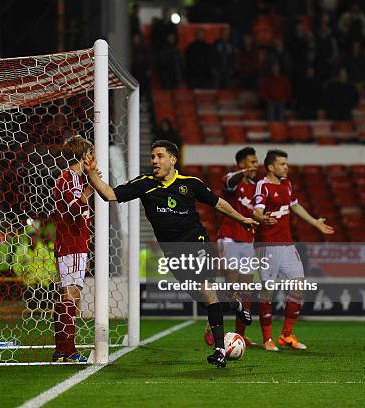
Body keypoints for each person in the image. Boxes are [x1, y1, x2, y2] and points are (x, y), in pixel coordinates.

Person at [84, 140, 258, 368]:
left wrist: (242, 218)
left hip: (198, 243)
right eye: (152, 156)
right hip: (173, 252)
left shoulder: (190, 184)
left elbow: (218, 203)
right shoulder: (145, 184)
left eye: (159, 156)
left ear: (172, 160)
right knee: (201, 298)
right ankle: (235, 305)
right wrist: (92, 175)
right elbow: (109, 194)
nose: (154, 161)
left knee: (206, 291)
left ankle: (219, 350)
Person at [252, 150, 334, 352]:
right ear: (271, 167)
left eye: (286, 163)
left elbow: (295, 207)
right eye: (282, 164)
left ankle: (286, 335)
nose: (286, 167)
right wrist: (262, 218)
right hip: (267, 245)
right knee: (267, 291)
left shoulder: (287, 185)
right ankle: (267, 339)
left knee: (298, 286)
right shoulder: (263, 185)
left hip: (287, 244)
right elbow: (257, 210)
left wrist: (315, 222)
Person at [204, 147, 264, 348]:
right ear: (241, 164)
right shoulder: (232, 180)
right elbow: (228, 182)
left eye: (256, 162)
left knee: (246, 289)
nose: (256, 165)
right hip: (229, 238)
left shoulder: (256, 187)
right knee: (231, 287)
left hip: (248, 241)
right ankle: (210, 324)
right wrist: (242, 174)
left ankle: (240, 335)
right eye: (252, 162)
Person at [51, 135, 95, 363]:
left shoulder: (73, 180)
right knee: (71, 296)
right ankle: (68, 350)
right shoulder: (68, 179)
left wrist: (88, 187)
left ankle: (62, 348)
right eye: (92, 154)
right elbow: (76, 209)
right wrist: (89, 190)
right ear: (84, 156)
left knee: (67, 296)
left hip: (72, 244)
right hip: (72, 244)